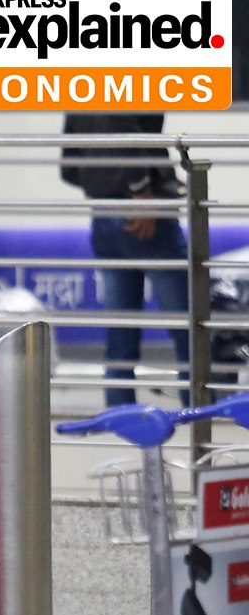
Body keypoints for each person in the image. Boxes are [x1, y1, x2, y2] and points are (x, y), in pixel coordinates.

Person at [62, 113, 189, 407]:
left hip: (104, 213)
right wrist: (142, 190)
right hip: (145, 212)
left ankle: (120, 409)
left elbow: (69, 166)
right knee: (187, 323)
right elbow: (128, 138)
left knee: (121, 328)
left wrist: (105, 183)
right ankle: (199, 405)